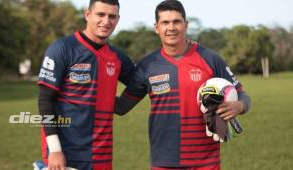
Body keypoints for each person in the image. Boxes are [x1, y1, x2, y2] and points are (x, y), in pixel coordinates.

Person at [115, 0, 251, 169]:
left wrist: (239, 106)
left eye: (176, 21)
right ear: (156, 27)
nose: (171, 28)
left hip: (206, 162)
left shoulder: (210, 59)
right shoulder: (147, 65)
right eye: (165, 22)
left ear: (186, 25)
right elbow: (121, 107)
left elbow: (243, 95)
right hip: (164, 162)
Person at [37, 0, 134, 169]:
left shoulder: (118, 58)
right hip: (65, 155)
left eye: (112, 16)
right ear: (87, 14)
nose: (106, 21)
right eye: (100, 14)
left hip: (101, 157)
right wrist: (55, 150)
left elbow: (143, 81)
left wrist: (122, 105)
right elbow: (45, 101)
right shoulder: (62, 48)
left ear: (118, 19)